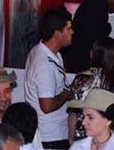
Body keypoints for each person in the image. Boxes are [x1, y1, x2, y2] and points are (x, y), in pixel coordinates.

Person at [26, 8, 75, 149]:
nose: (72, 32)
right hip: (50, 137)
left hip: (53, 133)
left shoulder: (47, 52)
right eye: (69, 28)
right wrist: (68, 93)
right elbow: (47, 106)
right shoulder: (44, 64)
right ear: (57, 33)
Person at [67, 37, 114, 140]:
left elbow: (73, 113)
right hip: (112, 137)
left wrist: (71, 139)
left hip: (84, 134)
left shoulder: (81, 79)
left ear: (92, 54)